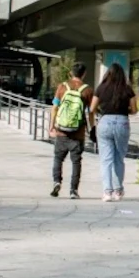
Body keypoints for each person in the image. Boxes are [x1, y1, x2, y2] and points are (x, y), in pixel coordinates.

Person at [90, 62, 137, 202]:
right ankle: (118, 191)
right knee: (119, 158)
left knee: (106, 160)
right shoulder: (127, 89)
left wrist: (103, 111)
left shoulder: (101, 88)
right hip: (122, 122)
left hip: (104, 122)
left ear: (107, 74)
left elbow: (92, 109)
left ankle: (107, 192)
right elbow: (134, 110)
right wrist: (123, 110)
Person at [49, 62, 93, 199]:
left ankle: (57, 181)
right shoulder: (87, 90)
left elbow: (55, 107)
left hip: (61, 130)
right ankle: (73, 190)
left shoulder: (62, 87)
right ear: (84, 74)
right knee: (76, 162)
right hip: (78, 133)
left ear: (71, 73)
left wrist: (51, 125)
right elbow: (91, 112)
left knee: (58, 158)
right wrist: (92, 129)